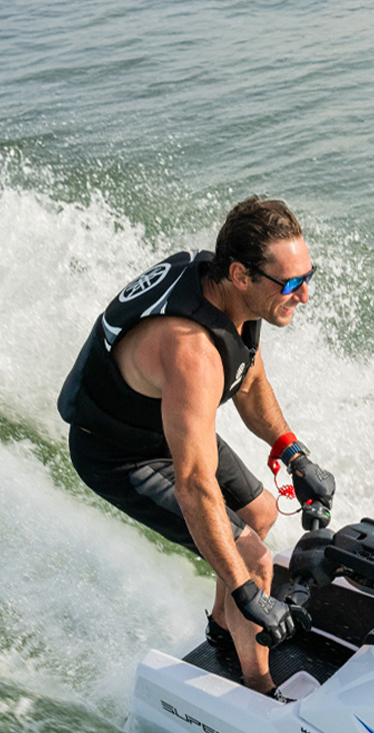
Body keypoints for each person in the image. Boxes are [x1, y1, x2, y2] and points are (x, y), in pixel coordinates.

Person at [58, 196, 335, 696]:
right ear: (241, 274)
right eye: (291, 284)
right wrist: (247, 590)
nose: (305, 295)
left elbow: (248, 378)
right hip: (118, 453)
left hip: (166, 423)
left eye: (307, 276)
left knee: (260, 513)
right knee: (252, 559)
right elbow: (193, 486)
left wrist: (292, 451)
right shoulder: (191, 351)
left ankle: (223, 631)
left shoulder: (232, 293)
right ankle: (259, 690)